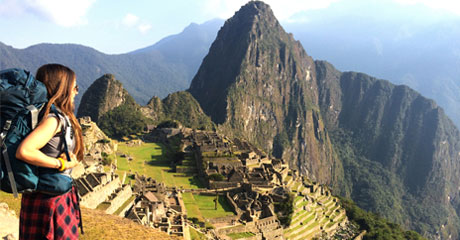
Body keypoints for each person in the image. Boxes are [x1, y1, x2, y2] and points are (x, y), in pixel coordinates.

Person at [15, 63, 84, 240]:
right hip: (49, 202)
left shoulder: (57, 118)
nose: (76, 92)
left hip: (53, 196)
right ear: (62, 89)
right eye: (74, 87)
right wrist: (61, 163)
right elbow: (25, 151)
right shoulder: (53, 120)